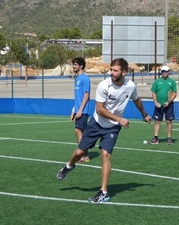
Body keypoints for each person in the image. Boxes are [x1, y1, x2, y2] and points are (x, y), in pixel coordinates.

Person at [56, 58, 152, 203]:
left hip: (113, 127)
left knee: (105, 155)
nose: (111, 73)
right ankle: (69, 166)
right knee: (80, 152)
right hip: (97, 123)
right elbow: (99, 109)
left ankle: (103, 192)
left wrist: (144, 114)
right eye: (111, 69)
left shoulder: (130, 86)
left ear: (124, 72)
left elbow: (136, 99)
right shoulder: (103, 85)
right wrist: (119, 119)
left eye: (115, 70)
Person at [150, 65, 177, 145]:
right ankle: (155, 138)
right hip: (158, 105)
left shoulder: (172, 82)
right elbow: (153, 92)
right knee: (157, 121)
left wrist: (168, 102)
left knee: (169, 121)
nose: (164, 73)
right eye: (162, 71)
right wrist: (155, 102)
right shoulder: (157, 82)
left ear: (168, 72)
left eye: (165, 71)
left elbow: (174, 93)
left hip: (169, 105)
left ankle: (169, 138)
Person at [70, 57, 91, 163]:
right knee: (81, 132)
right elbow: (77, 97)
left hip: (83, 110)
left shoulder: (84, 78)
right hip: (78, 110)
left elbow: (86, 95)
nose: (73, 66)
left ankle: (84, 155)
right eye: (73, 64)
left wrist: (80, 110)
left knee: (78, 131)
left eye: (76, 64)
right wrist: (74, 110)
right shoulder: (77, 79)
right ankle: (84, 154)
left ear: (81, 66)